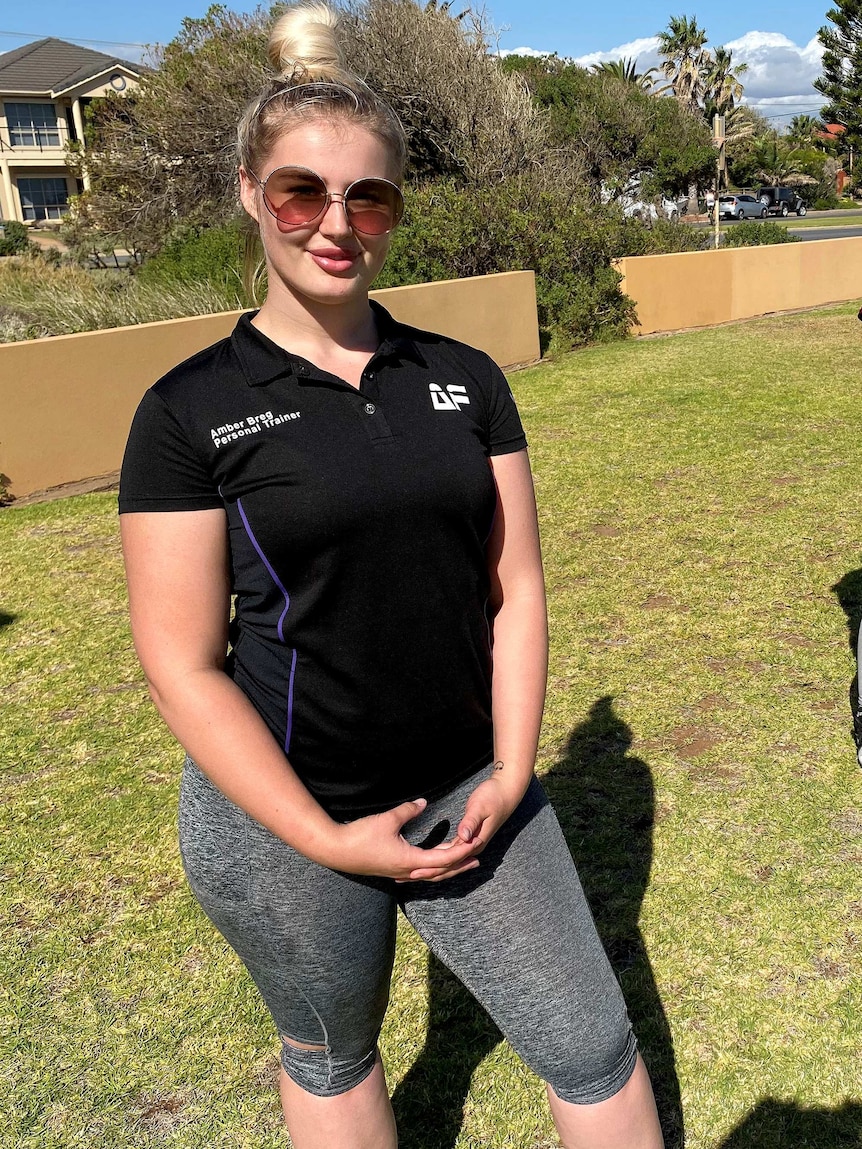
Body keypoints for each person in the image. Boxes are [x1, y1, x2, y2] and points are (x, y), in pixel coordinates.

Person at [119, 5, 665, 1146]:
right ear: (248, 192)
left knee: (593, 1049)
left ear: (394, 210)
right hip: (282, 817)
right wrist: (326, 840)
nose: (335, 225)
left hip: (473, 786)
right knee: (332, 1057)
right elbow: (180, 665)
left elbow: (513, 586)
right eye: (299, 192)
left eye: (367, 198)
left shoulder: (462, 377)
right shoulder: (188, 411)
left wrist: (511, 773)